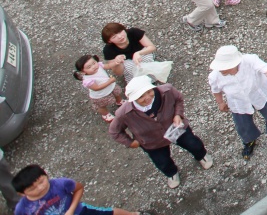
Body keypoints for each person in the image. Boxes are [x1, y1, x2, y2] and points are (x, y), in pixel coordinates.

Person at [109, 76, 211, 189]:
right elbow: (115, 132)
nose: (147, 97)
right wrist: (131, 142)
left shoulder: (167, 91)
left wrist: (178, 114)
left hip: (175, 128)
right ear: (132, 98)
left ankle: (202, 155)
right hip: (151, 141)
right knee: (162, 161)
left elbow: (178, 99)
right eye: (141, 96)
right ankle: (171, 173)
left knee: (193, 144)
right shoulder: (123, 113)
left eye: (149, 91)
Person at [207, 45, 267, 159]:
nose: (222, 70)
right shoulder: (214, 76)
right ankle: (249, 140)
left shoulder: (250, 60)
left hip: (260, 94)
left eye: (225, 67)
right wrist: (220, 102)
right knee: (242, 125)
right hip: (238, 102)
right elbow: (216, 90)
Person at [12, 165, 144, 215]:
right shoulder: (22, 208)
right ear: (22, 193)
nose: (40, 188)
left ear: (46, 175)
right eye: (32, 188)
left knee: (109, 213)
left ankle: (133, 214)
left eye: (41, 181)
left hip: (80, 211)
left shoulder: (59, 183)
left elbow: (78, 189)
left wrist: (71, 210)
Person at [75, 54, 124, 123]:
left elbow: (108, 66)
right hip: (100, 95)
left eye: (94, 63)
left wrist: (115, 63)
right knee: (101, 105)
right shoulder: (88, 80)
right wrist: (110, 81)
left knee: (117, 93)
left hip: (111, 87)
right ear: (83, 72)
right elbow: (97, 88)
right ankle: (105, 114)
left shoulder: (99, 66)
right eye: (89, 67)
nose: (94, 66)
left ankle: (119, 101)